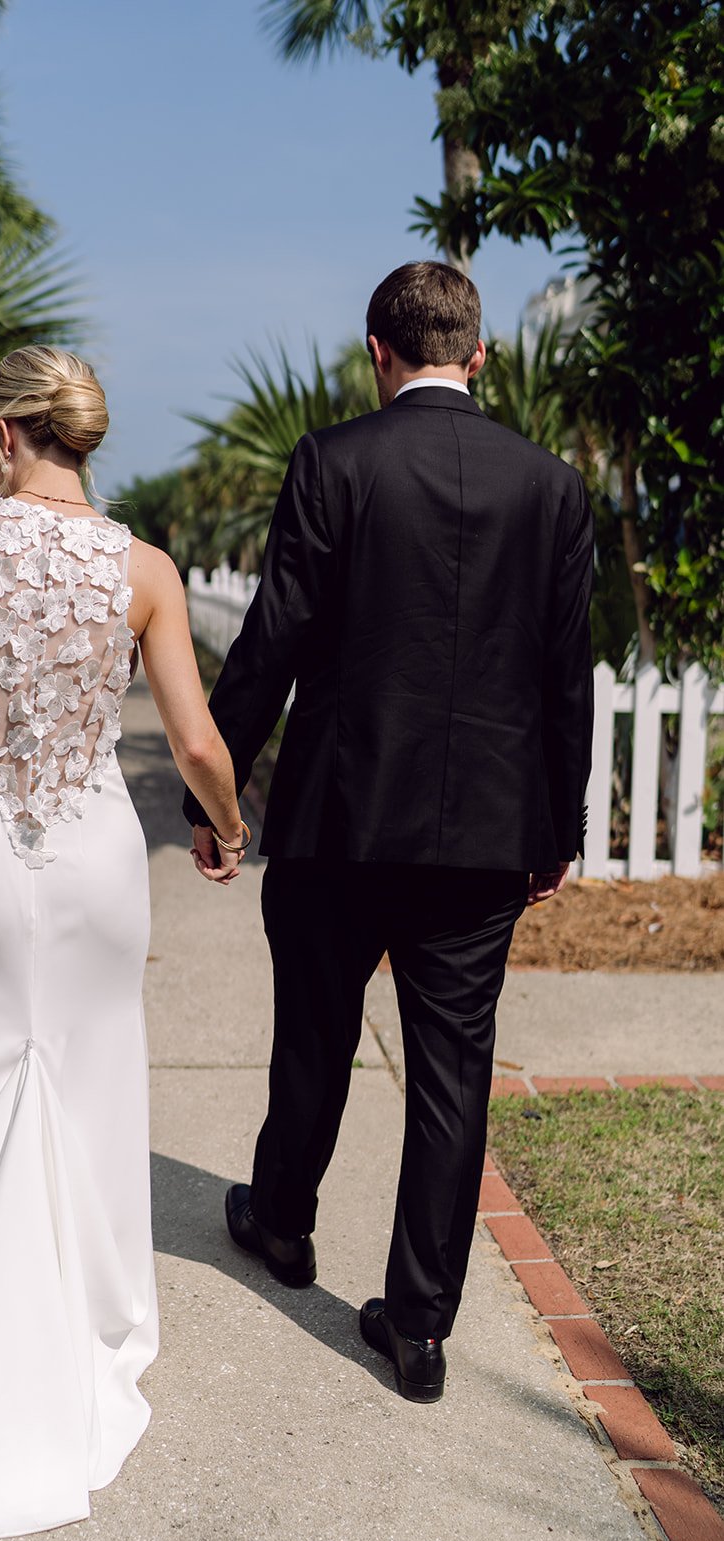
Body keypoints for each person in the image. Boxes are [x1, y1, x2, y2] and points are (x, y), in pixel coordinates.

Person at [183, 262, 594, 1404]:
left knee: (311, 1033)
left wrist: (212, 798)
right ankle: (418, 1329)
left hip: (335, 822)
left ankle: (281, 1220)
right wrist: (555, 829)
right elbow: (569, 677)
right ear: (477, 357)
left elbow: (270, 639)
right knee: (451, 1075)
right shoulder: (551, 488)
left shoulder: (333, 461)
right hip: (480, 842)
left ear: (375, 352)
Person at [0, 345, 247, 1537]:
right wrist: (226, 826)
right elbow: (192, 741)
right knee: (89, 1092)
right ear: (79, 440)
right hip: (92, 861)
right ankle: (89, 1335)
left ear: (2, 437)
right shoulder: (143, 567)